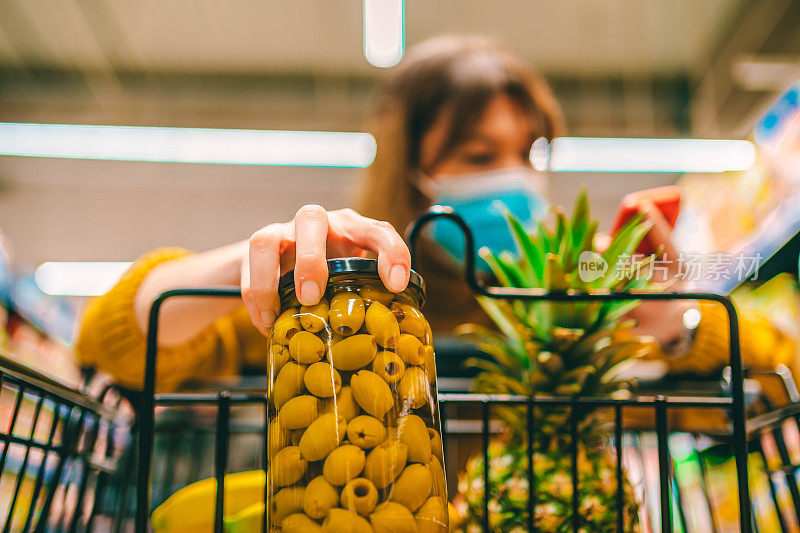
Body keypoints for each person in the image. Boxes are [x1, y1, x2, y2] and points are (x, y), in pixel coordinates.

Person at [76, 35, 797, 394]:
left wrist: (679, 326)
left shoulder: (578, 287)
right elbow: (109, 342)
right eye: (478, 155)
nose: (515, 177)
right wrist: (246, 265)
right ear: (413, 170)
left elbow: (776, 370)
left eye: (531, 150)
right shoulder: (331, 294)